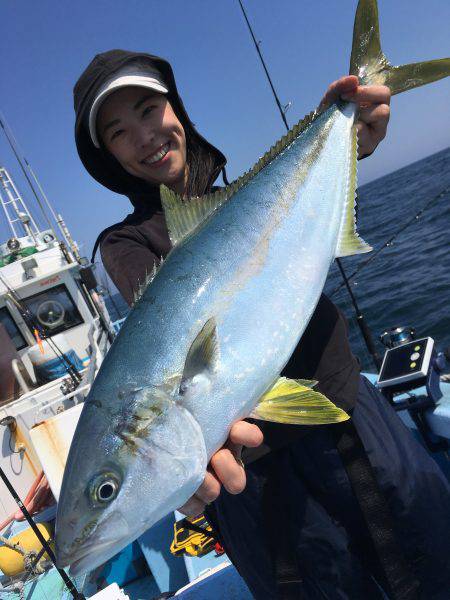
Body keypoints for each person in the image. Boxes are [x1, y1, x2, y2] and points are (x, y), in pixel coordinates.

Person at [73, 50, 450, 599]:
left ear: (175, 109)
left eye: (149, 108)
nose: (144, 135)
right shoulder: (126, 246)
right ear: (107, 154)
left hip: (350, 418)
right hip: (260, 480)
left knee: (434, 564)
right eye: (118, 131)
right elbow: (164, 345)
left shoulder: (246, 193)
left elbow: (305, 215)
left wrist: (349, 140)